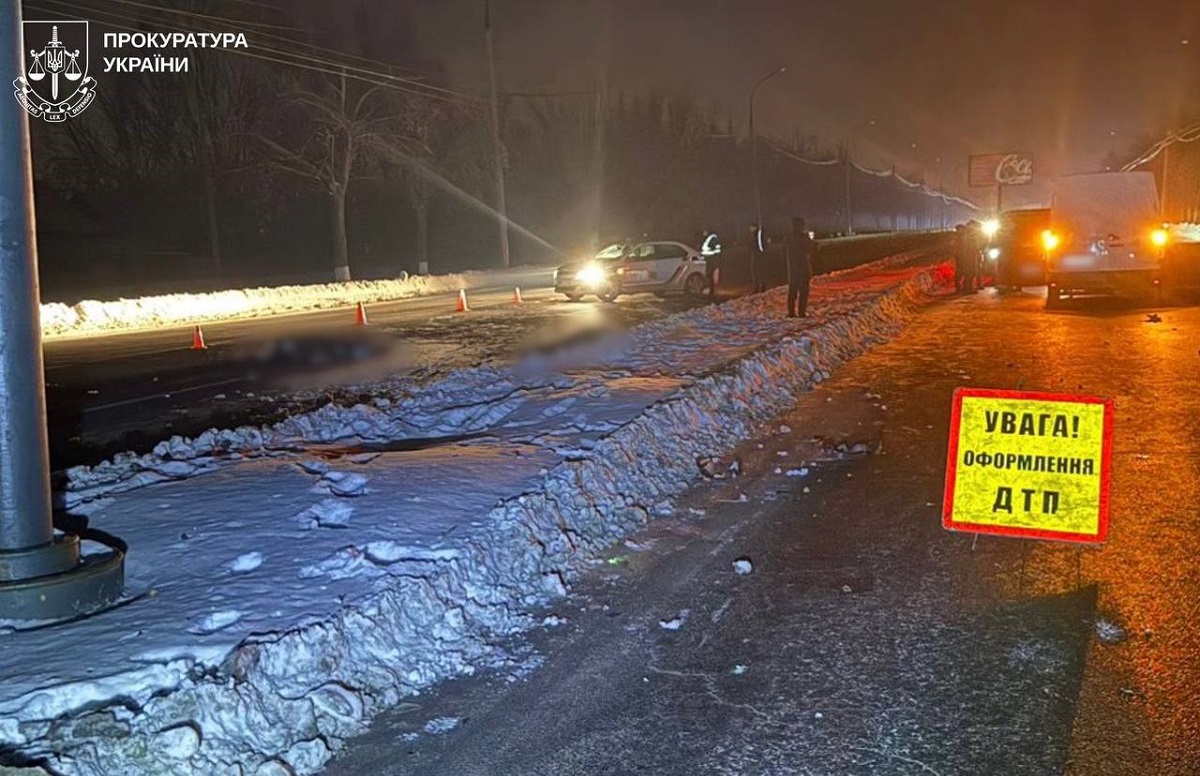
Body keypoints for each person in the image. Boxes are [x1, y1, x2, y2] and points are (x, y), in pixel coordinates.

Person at [786, 216, 816, 317]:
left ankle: (791, 312)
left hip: (792, 268)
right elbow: (810, 249)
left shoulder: (788, 238)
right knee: (803, 292)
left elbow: (783, 250)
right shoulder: (804, 237)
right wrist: (813, 243)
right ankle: (801, 312)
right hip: (803, 268)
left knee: (792, 291)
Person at [701, 229, 722, 300]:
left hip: (712, 260)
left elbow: (717, 250)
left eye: (704, 231)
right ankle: (710, 291)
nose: (703, 233)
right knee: (709, 275)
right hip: (709, 259)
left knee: (710, 275)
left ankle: (711, 291)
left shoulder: (713, 239)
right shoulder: (708, 239)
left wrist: (714, 259)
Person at [747, 223, 765, 293]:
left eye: (751, 227)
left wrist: (760, 251)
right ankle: (756, 286)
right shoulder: (752, 235)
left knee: (759, 271)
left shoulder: (758, 234)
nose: (750, 229)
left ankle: (761, 286)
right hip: (753, 255)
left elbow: (760, 244)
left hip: (758, 255)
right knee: (754, 271)